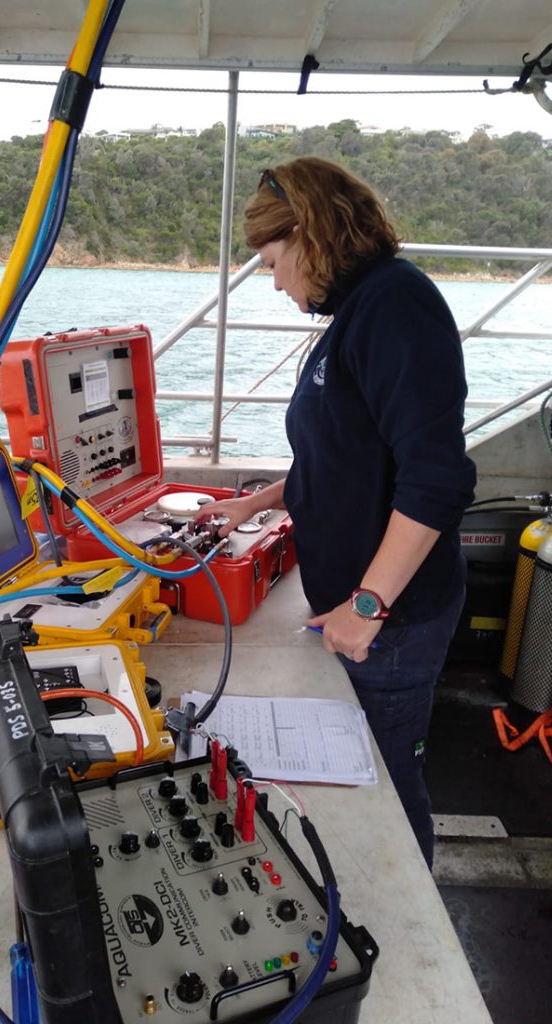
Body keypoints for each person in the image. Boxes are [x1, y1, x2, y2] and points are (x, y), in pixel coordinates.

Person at [196, 157, 476, 868]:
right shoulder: (357, 312)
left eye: (273, 259)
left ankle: (415, 927)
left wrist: (369, 605)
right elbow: (342, 459)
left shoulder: (396, 307)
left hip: (393, 623)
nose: (275, 278)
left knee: (385, 776)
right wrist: (250, 504)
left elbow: (437, 480)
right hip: (353, 609)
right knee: (360, 773)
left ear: (311, 235)